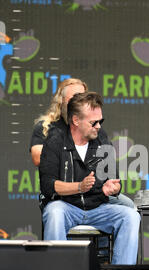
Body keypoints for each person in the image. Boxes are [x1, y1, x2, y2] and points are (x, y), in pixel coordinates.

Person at [39, 92, 140, 265]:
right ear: (76, 121)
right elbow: (48, 185)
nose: (99, 126)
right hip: (67, 207)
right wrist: (79, 187)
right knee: (54, 212)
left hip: (97, 208)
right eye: (94, 122)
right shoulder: (55, 141)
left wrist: (112, 188)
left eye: (101, 121)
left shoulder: (102, 141)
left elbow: (114, 180)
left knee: (130, 216)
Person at [30, 77, 134, 208]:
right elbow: (37, 157)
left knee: (128, 206)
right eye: (73, 98)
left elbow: (111, 172)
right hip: (61, 194)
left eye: (81, 97)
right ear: (61, 101)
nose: (77, 102)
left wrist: (112, 186)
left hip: (93, 194)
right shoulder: (47, 127)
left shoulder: (96, 132)